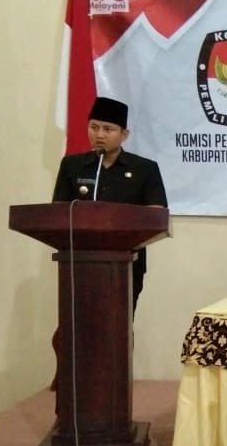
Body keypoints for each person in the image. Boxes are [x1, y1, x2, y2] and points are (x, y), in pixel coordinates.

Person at [52, 96, 168, 310]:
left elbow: (156, 215)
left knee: (119, 320)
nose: (99, 135)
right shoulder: (72, 166)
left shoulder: (144, 169)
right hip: (79, 262)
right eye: (94, 127)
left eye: (108, 129)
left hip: (127, 262)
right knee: (79, 321)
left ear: (124, 134)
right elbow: (57, 213)